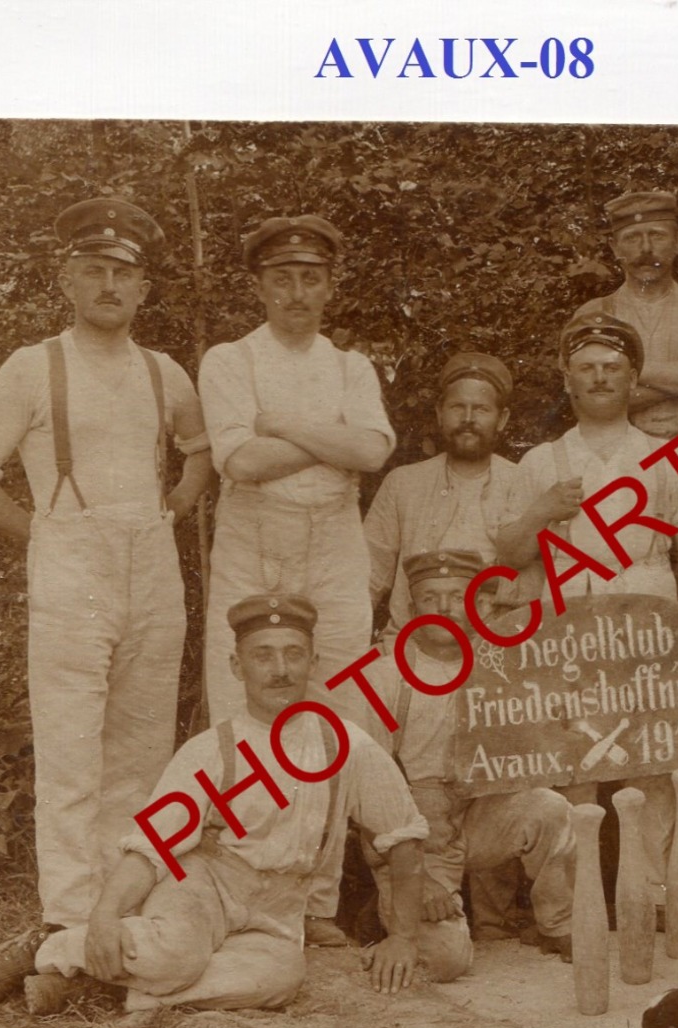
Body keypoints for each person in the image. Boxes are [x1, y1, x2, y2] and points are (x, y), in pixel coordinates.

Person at [0, 594, 471, 1014]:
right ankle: (51, 947)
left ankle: (104, 989)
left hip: (278, 909)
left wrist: (403, 936)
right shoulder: (212, 749)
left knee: (279, 978)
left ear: (313, 662)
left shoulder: (347, 745)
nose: (280, 670)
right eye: (263, 655)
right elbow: (151, 849)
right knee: (176, 956)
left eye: (293, 653)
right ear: (236, 665)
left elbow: (403, 839)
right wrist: (108, 913)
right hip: (204, 886)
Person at [0, 198, 213, 964]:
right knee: (70, 748)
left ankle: (120, 912)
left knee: (141, 745)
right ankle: (67, 922)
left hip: (151, 563)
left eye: (123, 273)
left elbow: (200, 451)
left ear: (143, 289)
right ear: (68, 280)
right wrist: (47, 536)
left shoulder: (165, 373)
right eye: (93, 269)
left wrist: (176, 505)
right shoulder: (35, 366)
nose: (109, 284)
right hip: (71, 561)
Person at [198, 215, 396, 947]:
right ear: (259, 286)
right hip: (255, 540)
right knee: (246, 717)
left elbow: (372, 451)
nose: (296, 293)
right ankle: (242, 892)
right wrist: (327, 440)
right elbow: (240, 464)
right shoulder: (230, 360)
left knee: (338, 715)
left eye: (310, 277)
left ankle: (318, 902)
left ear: (329, 285)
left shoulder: (350, 367)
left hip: (334, 544)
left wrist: (281, 425)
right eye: (281, 279)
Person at [496, 313, 678, 907]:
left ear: (633, 378)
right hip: (571, 615)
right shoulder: (543, 461)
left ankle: (657, 899)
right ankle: (572, 905)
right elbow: (512, 554)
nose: (599, 378)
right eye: (587, 368)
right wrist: (542, 511)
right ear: (567, 379)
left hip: (649, 609)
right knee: (574, 763)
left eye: (612, 368)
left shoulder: (665, 456)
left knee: (655, 762)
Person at [354, 550, 576, 960]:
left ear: (481, 605)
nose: (443, 609)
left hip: (478, 815)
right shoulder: (382, 677)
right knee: (445, 959)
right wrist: (416, 878)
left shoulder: (501, 667)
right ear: (410, 607)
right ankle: (383, 911)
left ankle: (558, 924)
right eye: (429, 598)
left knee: (550, 808)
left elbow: (532, 753)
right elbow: (370, 798)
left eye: (458, 597)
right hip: (415, 834)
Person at [363, 351, 526, 640]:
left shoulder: (523, 482)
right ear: (440, 413)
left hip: (494, 652)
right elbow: (366, 579)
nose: (467, 419)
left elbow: (540, 577)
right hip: (408, 648)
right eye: (457, 407)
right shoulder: (403, 483)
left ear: (502, 419)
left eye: (481, 409)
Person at [571, 190, 678, 443]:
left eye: (657, 236)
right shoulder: (594, 315)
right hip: (618, 460)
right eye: (632, 238)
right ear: (615, 247)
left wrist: (626, 372)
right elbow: (591, 404)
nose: (646, 249)